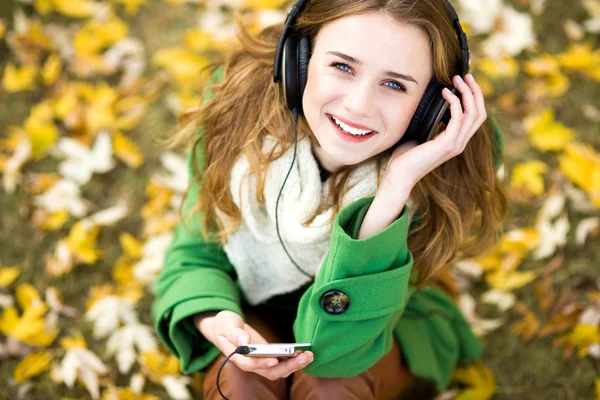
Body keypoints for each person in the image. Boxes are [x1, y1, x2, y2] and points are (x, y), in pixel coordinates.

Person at [151, 0, 508, 398]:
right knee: (238, 383)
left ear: (431, 106)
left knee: (332, 387)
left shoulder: (436, 173)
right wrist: (215, 319)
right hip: (251, 303)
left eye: (394, 84)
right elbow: (195, 253)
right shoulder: (238, 114)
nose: (358, 105)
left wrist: (394, 190)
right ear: (298, 60)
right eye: (342, 66)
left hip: (374, 328)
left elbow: (339, 354)